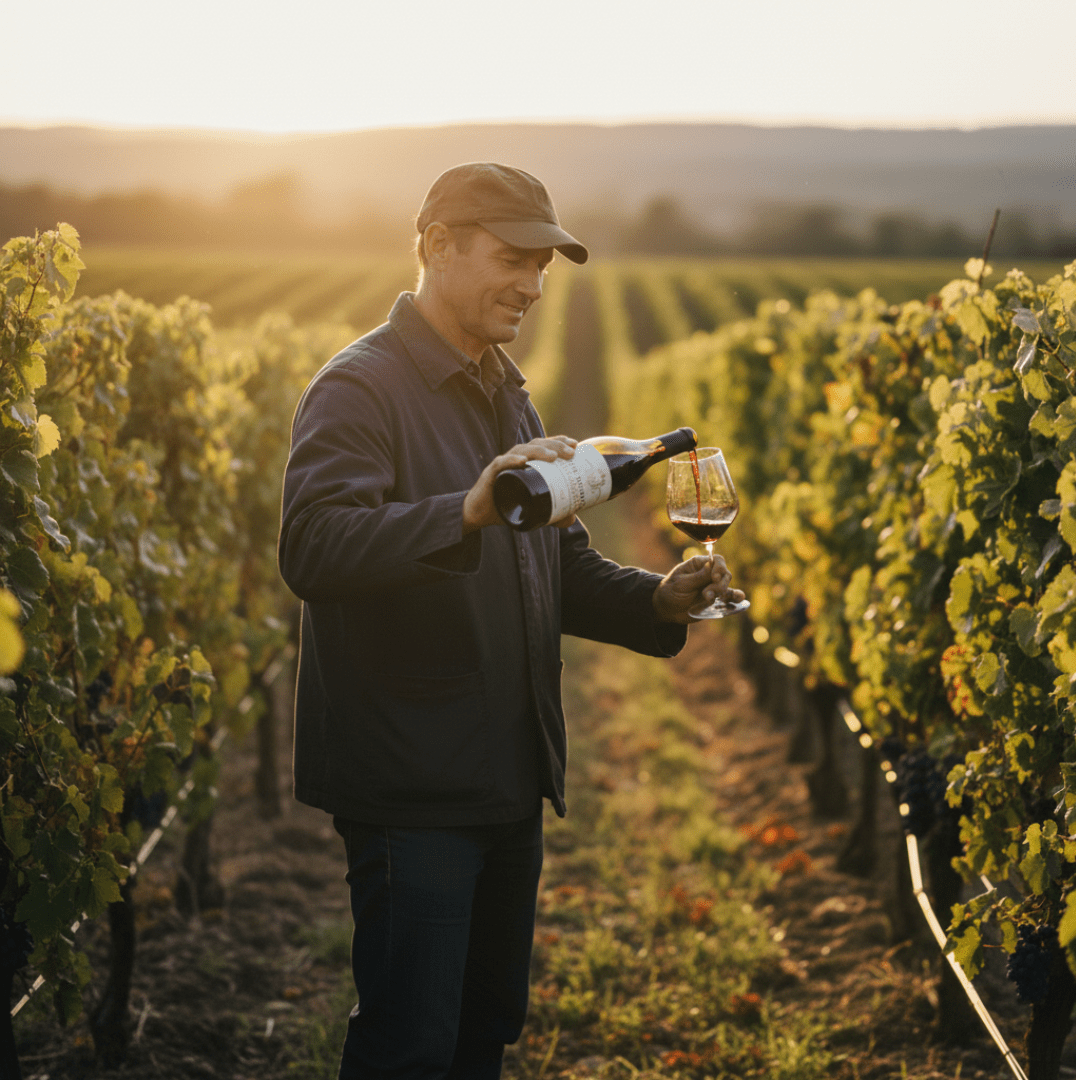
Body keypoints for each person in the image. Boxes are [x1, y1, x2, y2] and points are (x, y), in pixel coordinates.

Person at [277, 162, 743, 1080]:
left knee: (482, 1031)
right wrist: (468, 510)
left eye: (544, 266)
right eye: (514, 259)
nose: (533, 286)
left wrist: (656, 597)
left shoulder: (505, 389)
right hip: (412, 783)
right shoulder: (360, 387)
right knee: (409, 1047)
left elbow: (553, 562)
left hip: (503, 776)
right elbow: (315, 549)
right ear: (438, 247)